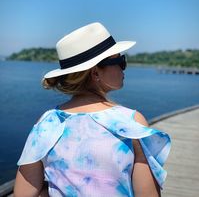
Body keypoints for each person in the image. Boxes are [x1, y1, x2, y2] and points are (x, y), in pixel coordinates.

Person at [14, 22, 171, 197]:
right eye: (120, 61)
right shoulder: (130, 122)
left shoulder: (47, 122)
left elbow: (23, 193)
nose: (123, 67)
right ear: (95, 73)